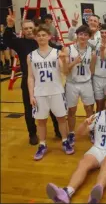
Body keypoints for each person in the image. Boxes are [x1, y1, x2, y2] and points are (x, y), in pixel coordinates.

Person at [46, 91, 106, 203]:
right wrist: (85, 123)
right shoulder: (97, 116)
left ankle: (96, 194)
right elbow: (79, 134)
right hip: (97, 148)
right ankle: (67, 192)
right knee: (83, 163)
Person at [4, 10, 61, 145]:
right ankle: (32, 134)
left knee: (52, 107)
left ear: (34, 28)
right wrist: (9, 26)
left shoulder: (42, 41)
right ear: (22, 31)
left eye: (31, 28)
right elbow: (7, 40)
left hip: (46, 81)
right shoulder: (19, 43)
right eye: (26, 29)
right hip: (28, 81)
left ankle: (58, 130)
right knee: (29, 109)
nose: (29, 30)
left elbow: (57, 48)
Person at [27, 25, 72, 160]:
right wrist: (31, 95)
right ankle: (42, 144)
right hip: (39, 93)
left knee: (61, 118)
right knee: (41, 121)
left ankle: (65, 141)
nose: (41, 37)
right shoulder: (30, 56)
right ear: (35, 37)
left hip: (56, 91)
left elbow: (65, 72)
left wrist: (64, 60)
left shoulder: (57, 53)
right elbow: (30, 77)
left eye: (44, 35)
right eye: (39, 35)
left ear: (49, 37)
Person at [64, 25, 97, 146]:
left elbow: (92, 70)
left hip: (86, 83)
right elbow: (65, 70)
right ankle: (71, 133)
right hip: (71, 84)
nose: (83, 37)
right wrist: (74, 62)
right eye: (81, 34)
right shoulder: (68, 49)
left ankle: (91, 130)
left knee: (89, 109)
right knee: (72, 110)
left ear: (89, 37)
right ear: (77, 35)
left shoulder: (92, 52)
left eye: (85, 35)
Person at [93, 24, 106, 112]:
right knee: (99, 105)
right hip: (97, 77)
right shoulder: (95, 43)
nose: (104, 34)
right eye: (102, 32)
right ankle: (98, 123)